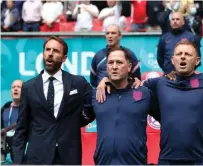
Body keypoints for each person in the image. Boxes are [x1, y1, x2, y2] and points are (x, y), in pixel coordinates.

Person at [97, 40, 203, 165]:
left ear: (197, 61)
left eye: (188, 54)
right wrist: (105, 80)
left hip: (199, 159)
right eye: (179, 54)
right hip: (167, 159)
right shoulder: (157, 83)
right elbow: (128, 84)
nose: (182, 58)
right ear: (172, 60)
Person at [12, 36, 94, 165]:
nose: (50, 53)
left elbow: (93, 103)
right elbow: (21, 128)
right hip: (36, 158)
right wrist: (17, 162)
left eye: (55, 51)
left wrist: (75, 121)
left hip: (69, 157)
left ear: (64, 58)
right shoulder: (28, 87)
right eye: (47, 50)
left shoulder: (78, 83)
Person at [91, 47, 159, 165]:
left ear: (129, 67)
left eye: (119, 62)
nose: (115, 66)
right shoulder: (96, 95)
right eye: (111, 63)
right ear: (106, 67)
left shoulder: (145, 94)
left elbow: (168, 120)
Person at [90, 24, 141, 88]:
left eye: (113, 33)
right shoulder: (98, 56)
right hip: (103, 97)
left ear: (120, 36)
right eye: (107, 33)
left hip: (124, 96)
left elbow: (137, 79)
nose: (110, 36)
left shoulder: (129, 54)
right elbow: (93, 81)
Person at [157, 11, 198, 76]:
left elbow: (197, 57)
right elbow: (160, 59)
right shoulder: (164, 38)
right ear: (170, 23)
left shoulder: (191, 37)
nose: (175, 21)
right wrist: (168, 71)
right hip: (168, 76)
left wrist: (187, 72)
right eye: (173, 19)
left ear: (183, 22)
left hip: (187, 77)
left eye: (177, 19)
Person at [1, 79, 23, 162]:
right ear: (11, 91)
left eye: (19, 87)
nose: (15, 89)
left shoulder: (28, 109)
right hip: (4, 148)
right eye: (13, 87)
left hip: (20, 148)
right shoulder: (4, 108)